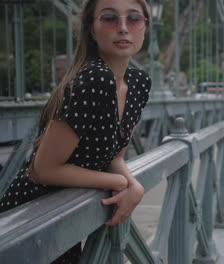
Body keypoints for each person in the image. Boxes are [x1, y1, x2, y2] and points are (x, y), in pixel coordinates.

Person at [0, 0, 151, 262]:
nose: (124, 28)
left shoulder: (139, 83)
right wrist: (117, 183)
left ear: (145, 27)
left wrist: (133, 185)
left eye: (134, 18)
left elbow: (114, 156)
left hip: (67, 215)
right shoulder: (95, 78)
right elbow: (42, 169)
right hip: (33, 217)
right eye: (109, 18)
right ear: (92, 29)